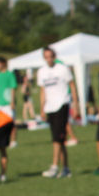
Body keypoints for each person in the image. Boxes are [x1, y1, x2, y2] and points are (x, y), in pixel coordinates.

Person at [37, 46, 80, 178]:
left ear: (54, 56)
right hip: (50, 107)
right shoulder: (41, 72)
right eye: (46, 57)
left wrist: (75, 104)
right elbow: (43, 91)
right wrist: (42, 108)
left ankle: (54, 166)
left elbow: (72, 85)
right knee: (60, 139)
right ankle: (66, 168)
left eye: (51, 56)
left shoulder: (62, 69)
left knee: (56, 138)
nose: (49, 59)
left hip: (62, 105)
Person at [0, 56, 19, 149]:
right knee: (0, 123)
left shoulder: (10, 74)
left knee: (11, 123)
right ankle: (3, 140)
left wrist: (12, 102)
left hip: (8, 103)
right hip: (0, 104)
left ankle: (13, 141)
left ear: (3, 63)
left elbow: (12, 88)